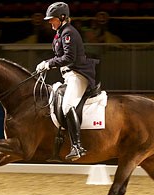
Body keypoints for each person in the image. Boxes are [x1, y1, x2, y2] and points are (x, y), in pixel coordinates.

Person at [35, 2, 99, 161]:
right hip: (68, 76)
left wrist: (48, 64)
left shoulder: (68, 32)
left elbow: (69, 58)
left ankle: (77, 146)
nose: (50, 22)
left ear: (62, 17)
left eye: (52, 19)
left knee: (67, 105)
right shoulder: (60, 33)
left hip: (78, 75)